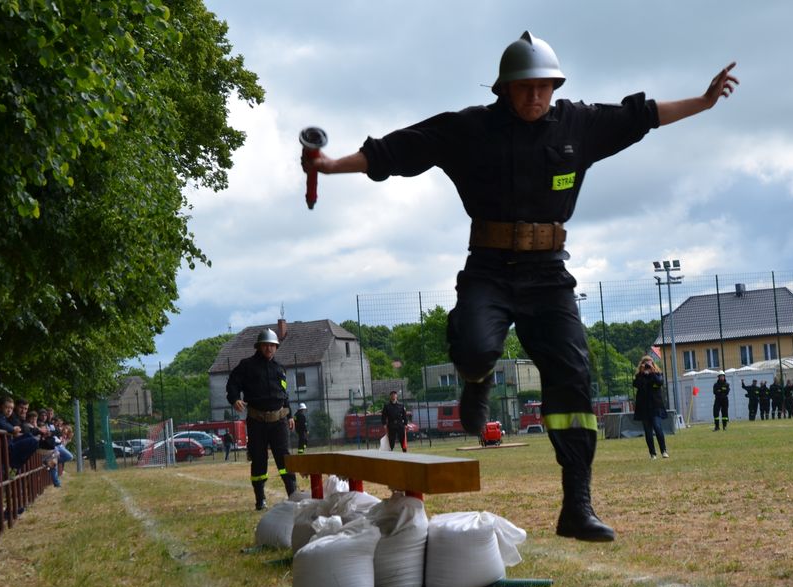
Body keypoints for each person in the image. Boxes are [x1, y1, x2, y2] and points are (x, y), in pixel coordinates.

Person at [303, 31, 738, 542]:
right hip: (489, 266)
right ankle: (476, 378)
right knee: (473, 342)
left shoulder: (578, 124)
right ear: (504, 89)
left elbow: (641, 117)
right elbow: (396, 151)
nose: (535, 97)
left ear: (554, 87)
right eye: (524, 88)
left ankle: (577, 504)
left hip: (549, 274)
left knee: (574, 376)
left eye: (544, 87)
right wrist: (332, 165)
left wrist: (705, 102)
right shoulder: (470, 129)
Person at [226, 328, 298, 510]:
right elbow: (232, 383)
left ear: (276, 347)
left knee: (285, 460)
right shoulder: (246, 365)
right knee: (259, 460)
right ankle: (260, 499)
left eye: (273, 346)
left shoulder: (280, 368)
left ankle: (294, 495)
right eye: (266, 345)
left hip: (279, 421)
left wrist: (289, 414)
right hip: (257, 421)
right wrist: (234, 399)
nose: (269, 349)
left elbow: (284, 393)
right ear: (259, 346)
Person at [633, 356, 668, 459]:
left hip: (655, 406)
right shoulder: (639, 376)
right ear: (642, 365)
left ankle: (664, 451)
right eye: (646, 364)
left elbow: (659, 382)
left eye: (650, 364)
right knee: (648, 431)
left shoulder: (657, 374)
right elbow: (636, 384)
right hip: (643, 407)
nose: (648, 366)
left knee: (657, 427)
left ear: (653, 365)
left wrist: (652, 372)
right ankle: (652, 453)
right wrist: (642, 372)